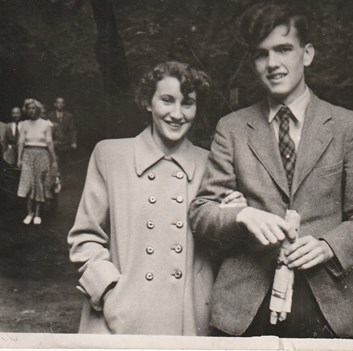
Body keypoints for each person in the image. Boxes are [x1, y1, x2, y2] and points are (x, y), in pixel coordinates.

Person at [189, 3, 353, 338]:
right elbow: (202, 212)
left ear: (307, 54)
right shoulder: (233, 127)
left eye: (283, 49)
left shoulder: (345, 126)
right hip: (243, 306)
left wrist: (329, 245)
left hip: (323, 302)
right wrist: (242, 216)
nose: (273, 64)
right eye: (261, 54)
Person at [67, 61, 244, 335]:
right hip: (119, 319)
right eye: (166, 100)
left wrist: (232, 219)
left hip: (189, 318)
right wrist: (111, 292)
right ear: (148, 103)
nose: (177, 113)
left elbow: (219, 250)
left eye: (187, 103)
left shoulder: (211, 163)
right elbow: (84, 238)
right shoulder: (110, 156)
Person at [16, 99, 57, 225]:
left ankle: (38, 213)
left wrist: (54, 159)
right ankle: (29, 213)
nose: (31, 110)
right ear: (26, 110)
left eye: (33, 108)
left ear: (38, 109)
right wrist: (19, 158)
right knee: (28, 183)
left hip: (42, 155)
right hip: (28, 155)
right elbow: (21, 142)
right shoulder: (24, 124)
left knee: (39, 183)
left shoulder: (45, 124)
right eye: (29, 108)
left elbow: (49, 142)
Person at [46, 97, 77, 172]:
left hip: (64, 143)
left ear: (64, 104)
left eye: (62, 103)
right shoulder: (50, 115)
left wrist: (73, 142)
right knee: (54, 162)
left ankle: (63, 180)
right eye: (58, 103)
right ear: (55, 104)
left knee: (64, 165)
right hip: (54, 143)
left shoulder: (69, 116)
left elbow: (72, 129)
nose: (60, 104)